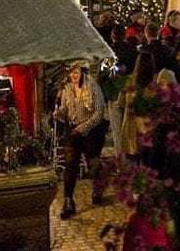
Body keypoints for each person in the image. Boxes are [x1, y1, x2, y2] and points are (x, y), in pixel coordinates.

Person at [54, 61, 107, 219]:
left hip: (91, 130)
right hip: (72, 130)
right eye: (71, 72)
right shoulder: (67, 89)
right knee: (70, 164)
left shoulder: (93, 88)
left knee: (93, 162)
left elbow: (99, 113)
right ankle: (68, 201)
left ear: (82, 71)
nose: (73, 75)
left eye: (76, 72)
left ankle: (98, 187)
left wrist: (84, 127)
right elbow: (64, 108)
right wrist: (59, 113)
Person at [117, 52, 157, 162]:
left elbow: (120, 103)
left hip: (131, 125)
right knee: (147, 161)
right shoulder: (156, 82)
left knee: (131, 161)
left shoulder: (128, 80)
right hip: (148, 126)